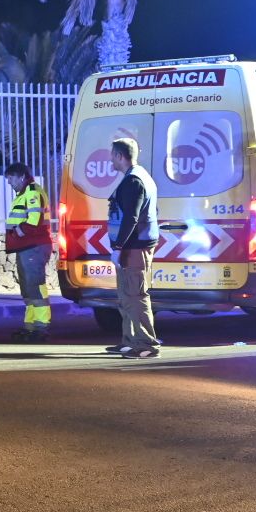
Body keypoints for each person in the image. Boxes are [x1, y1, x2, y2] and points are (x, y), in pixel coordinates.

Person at [107, 137, 161, 358]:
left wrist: (119, 247)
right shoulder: (137, 177)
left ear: (120, 156)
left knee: (136, 295)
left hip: (134, 247)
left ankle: (147, 345)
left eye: (112, 155)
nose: (110, 159)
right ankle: (129, 341)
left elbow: (132, 216)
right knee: (126, 295)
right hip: (133, 246)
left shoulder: (133, 181)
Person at [3, 162, 54, 342]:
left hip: (33, 246)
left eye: (11, 178)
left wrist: (17, 233)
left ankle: (41, 325)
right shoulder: (25, 193)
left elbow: (34, 222)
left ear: (21, 176)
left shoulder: (32, 193)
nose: (9, 182)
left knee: (35, 286)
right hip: (27, 246)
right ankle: (31, 325)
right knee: (28, 288)